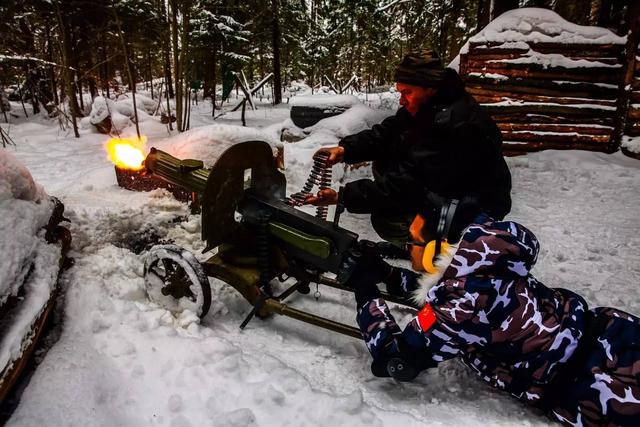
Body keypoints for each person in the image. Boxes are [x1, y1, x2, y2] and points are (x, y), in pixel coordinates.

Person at [349, 198, 640, 426]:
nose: (407, 247)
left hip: (602, 383)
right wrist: (388, 275)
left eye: (413, 242)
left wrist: (365, 292)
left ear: (438, 250)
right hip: (616, 334)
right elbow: (454, 293)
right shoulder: (491, 262)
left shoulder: (464, 304)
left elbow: (396, 357)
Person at [306, 50, 512, 249]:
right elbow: (388, 133)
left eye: (407, 92)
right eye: (400, 92)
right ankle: (424, 241)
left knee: (387, 219)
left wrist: (342, 196)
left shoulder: (457, 124)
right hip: (452, 194)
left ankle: (443, 251)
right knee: (386, 162)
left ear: (430, 88)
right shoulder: (428, 105)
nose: (402, 100)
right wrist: (345, 150)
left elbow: (407, 186)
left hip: (476, 210)